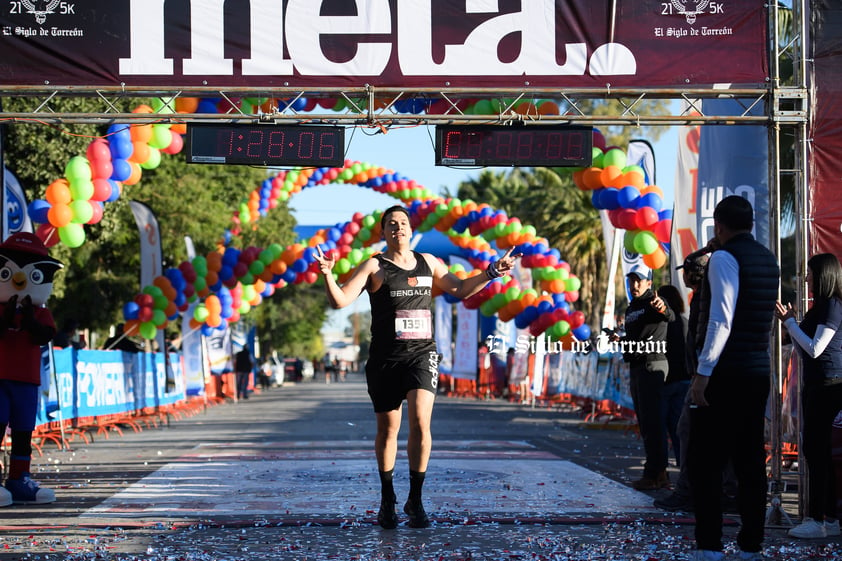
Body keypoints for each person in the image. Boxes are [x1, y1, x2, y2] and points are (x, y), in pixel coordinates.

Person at [314, 204, 519, 529]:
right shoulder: (374, 266)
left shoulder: (429, 262)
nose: (398, 228)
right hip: (384, 360)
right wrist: (327, 274)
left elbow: (461, 289)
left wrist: (492, 271)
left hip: (422, 355)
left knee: (421, 423)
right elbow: (340, 301)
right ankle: (387, 497)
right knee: (388, 429)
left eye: (403, 223)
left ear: (410, 229)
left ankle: (416, 499)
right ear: (383, 233)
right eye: (391, 224)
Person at [687, 196, 780, 561]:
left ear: (719, 225)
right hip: (757, 371)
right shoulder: (768, 259)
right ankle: (750, 546)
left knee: (705, 462)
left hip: (725, 374)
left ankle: (710, 546)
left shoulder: (725, 258)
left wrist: (702, 374)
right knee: (750, 462)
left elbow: (720, 321)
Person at [776, 253, 842, 539]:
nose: (806, 279)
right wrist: (790, 324)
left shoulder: (832, 307)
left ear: (823, 275)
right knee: (818, 454)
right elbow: (805, 349)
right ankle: (829, 516)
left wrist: (791, 323)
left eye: (810, 274)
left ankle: (818, 520)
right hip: (818, 386)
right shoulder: (822, 307)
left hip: (829, 387)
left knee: (817, 453)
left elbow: (815, 348)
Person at [0, 232, 63, 505]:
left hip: (27, 380)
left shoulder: (40, 311)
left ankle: (19, 478)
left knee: (24, 431)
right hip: (0, 377)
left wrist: (28, 320)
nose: (19, 280)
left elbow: (45, 336)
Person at [616, 263, 674, 491]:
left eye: (639, 280)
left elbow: (668, 315)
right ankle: (658, 473)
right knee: (646, 424)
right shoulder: (633, 307)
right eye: (632, 280)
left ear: (649, 282)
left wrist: (662, 307)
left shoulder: (653, 301)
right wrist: (619, 339)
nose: (635, 284)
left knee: (653, 423)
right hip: (637, 365)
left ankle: (655, 473)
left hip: (652, 365)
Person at [656, 284, 690, 468]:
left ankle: (660, 470)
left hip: (666, 380)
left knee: (660, 428)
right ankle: (683, 467)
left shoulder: (662, 325)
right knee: (679, 430)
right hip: (684, 379)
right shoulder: (685, 321)